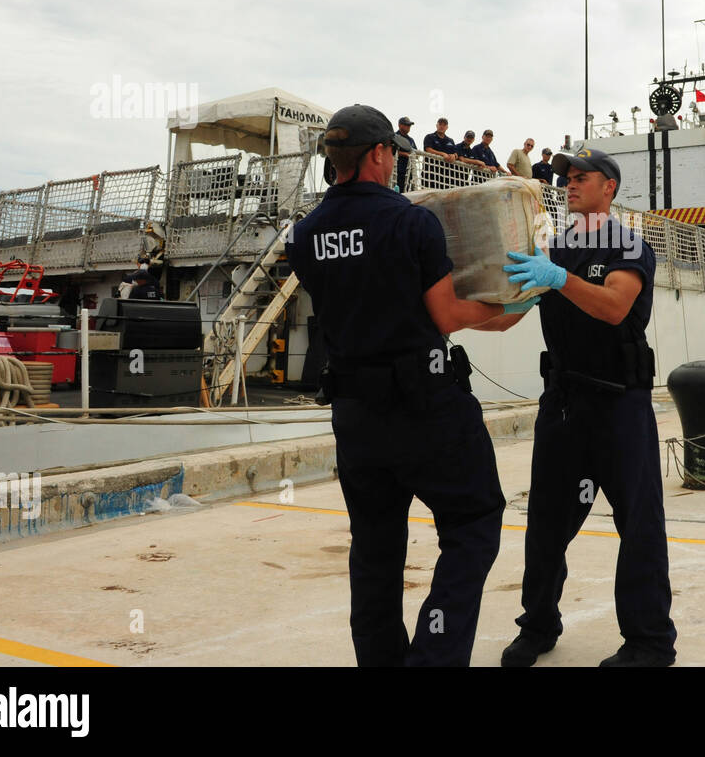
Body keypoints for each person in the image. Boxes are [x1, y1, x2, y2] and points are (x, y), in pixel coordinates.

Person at [286, 104, 536, 667]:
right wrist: (508, 306)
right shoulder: (411, 221)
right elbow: (445, 315)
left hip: (353, 414)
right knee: (472, 523)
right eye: (393, 155)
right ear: (378, 154)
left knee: (374, 550)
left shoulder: (304, 235)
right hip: (423, 407)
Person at [492, 147, 677, 667]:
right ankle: (538, 625)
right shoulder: (553, 248)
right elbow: (509, 314)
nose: (569, 184)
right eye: (565, 178)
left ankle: (649, 642)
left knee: (637, 524)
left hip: (619, 403)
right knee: (547, 520)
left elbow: (616, 306)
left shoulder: (628, 245)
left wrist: (558, 279)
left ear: (609, 187)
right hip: (566, 403)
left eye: (581, 177)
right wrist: (447, 315)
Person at [422, 117, 458, 189]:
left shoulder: (450, 140)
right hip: (431, 173)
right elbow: (428, 149)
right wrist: (442, 154)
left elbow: (456, 154)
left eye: (444, 125)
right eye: (440, 124)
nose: (442, 126)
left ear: (447, 127)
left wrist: (453, 156)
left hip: (446, 175)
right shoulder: (429, 137)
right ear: (437, 125)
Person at [394, 117, 416, 191]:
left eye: (409, 125)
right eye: (407, 125)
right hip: (397, 171)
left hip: (409, 172)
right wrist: (405, 154)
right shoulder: (394, 137)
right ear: (400, 125)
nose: (408, 127)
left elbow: (416, 153)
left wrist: (413, 156)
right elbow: (390, 151)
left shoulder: (411, 140)